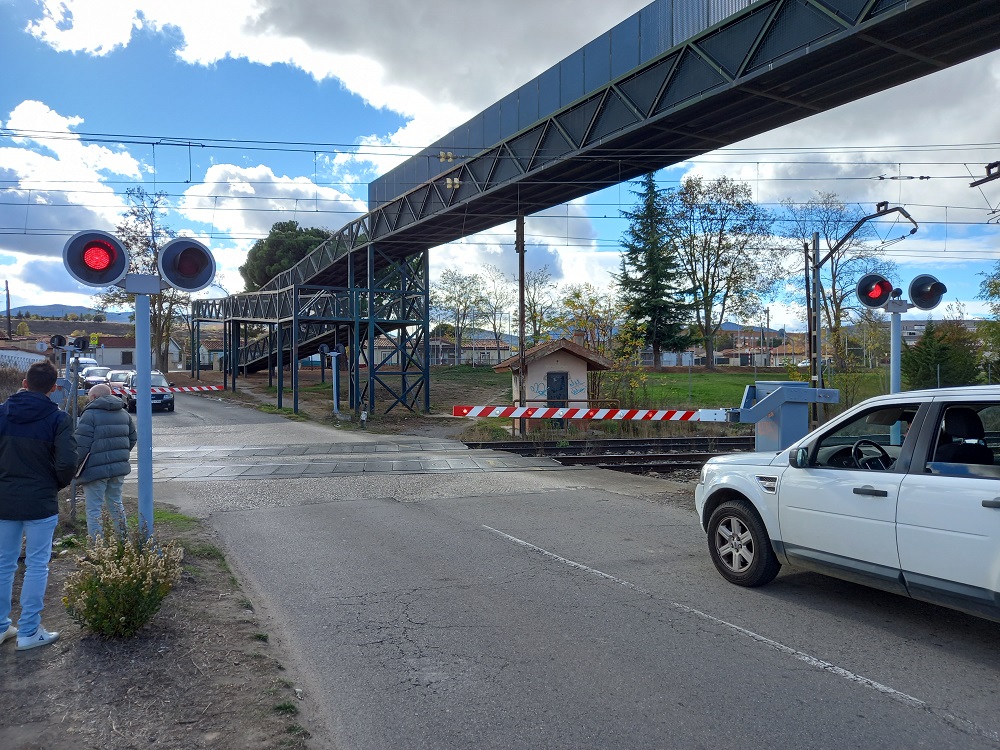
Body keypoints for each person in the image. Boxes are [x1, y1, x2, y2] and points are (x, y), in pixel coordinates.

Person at [0, 359, 76, 650]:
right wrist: (52, 486)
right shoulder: (57, 419)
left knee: (3, 565)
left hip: (4, 502)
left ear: (24, 383)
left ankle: (1, 626)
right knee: (36, 565)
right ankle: (30, 631)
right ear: (54, 389)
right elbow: (68, 462)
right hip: (40, 502)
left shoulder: (1, 414)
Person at [75, 383, 137, 539]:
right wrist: (120, 455)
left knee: (94, 509)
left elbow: (81, 445)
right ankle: (124, 542)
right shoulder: (123, 413)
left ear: (94, 397)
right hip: (118, 469)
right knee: (116, 504)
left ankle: (97, 548)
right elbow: (132, 438)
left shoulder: (90, 414)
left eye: (89, 397)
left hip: (94, 471)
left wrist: (74, 466)